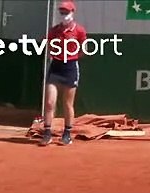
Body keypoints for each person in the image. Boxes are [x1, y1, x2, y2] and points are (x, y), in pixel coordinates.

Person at [40, 0, 85, 147]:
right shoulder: (54, 30)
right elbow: (48, 45)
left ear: (72, 13)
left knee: (67, 103)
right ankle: (47, 133)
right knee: (49, 102)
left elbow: (83, 48)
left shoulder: (79, 30)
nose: (64, 15)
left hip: (70, 67)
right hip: (56, 67)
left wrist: (71, 56)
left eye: (66, 12)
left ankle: (67, 134)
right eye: (62, 12)